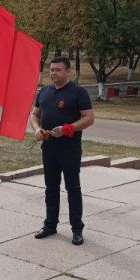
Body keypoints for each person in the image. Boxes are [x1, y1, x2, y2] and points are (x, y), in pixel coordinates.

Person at [29, 56, 95, 246]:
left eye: (58, 70)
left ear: (68, 72)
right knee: (51, 187)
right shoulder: (45, 91)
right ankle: (50, 224)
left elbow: (89, 118)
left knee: (73, 188)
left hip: (70, 149)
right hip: (49, 147)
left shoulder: (78, 92)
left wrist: (68, 128)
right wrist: (36, 129)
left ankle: (77, 229)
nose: (53, 73)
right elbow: (35, 114)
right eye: (51, 70)